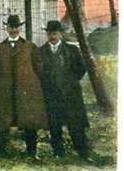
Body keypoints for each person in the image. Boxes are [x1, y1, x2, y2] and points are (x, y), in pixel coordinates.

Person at [0, 15, 47, 157]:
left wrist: (30, 83)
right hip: (6, 92)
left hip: (26, 92)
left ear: (20, 28)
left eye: (16, 27)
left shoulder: (30, 47)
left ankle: (32, 152)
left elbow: (39, 68)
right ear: (7, 28)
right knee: (3, 121)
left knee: (29, 122)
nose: (14, 30)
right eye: (11, 27)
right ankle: (1, 152)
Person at [38, 20, 90, 160]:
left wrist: (71, 82)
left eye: (55, 33)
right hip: (51, 94)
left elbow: (81, 69)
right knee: (54, 125)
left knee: (75, 125)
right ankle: (58, 153)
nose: (52, 36)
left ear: (60, 34)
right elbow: (39, 72)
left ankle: (82, 152)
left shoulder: (72, 50)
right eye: (49, 33)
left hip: (70, 94)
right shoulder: (41, 51)